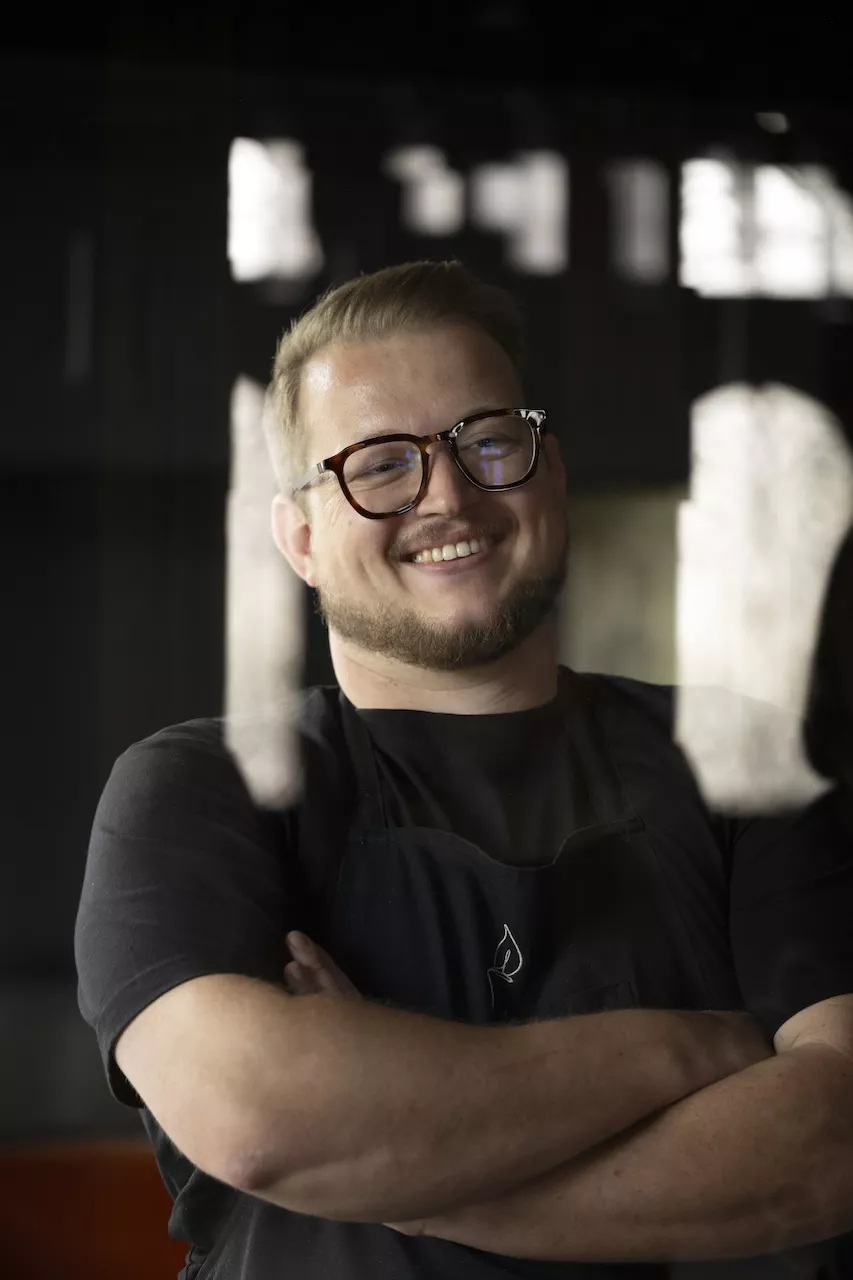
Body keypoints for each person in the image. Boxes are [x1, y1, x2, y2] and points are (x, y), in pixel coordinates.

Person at [74, 261, 853, 1280]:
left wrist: (394, 1168)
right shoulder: (201, 790)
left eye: (489, 441)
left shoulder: (744, 768)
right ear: (300, 538)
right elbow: (259, 1121)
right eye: (379, 465)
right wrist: (689, 1049)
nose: (447, 494)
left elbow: (832, 1142)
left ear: (549, 471)